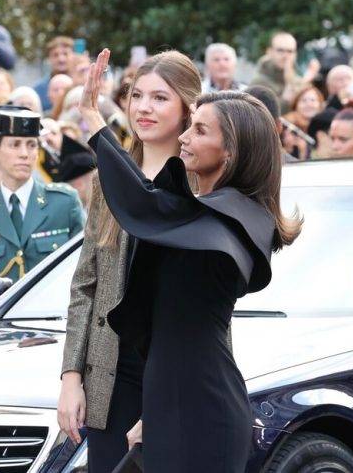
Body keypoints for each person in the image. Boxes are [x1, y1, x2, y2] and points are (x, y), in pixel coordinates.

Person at [82, 49, 302, 472]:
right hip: (172, 401)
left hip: (202, 408)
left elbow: (144, 208)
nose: (184, 136)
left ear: (231, 151)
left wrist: (94, 119)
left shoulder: (233, 216)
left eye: (200, 130)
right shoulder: (208, 211)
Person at [59, 50, 202, 473]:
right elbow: (86, 281)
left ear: (188, 107)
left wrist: (166, 402)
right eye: (136, 95)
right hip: (110, 376)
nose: (143, 107)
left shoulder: (202, 182)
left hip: (175, 374)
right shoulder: (110, 175)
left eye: (160, 98)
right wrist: (71, 377)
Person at [0, 106, 85, 318]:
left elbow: (84, 277)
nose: (24, 154)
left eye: (31, 145)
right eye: (15, 145)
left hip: (53, 326)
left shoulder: (63, 202)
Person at [250, 31, 320, 109]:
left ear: (295, 54)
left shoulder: (298, 80)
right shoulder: (259, 82)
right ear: (269, 51)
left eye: (290, 51)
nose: (285, 56)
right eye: (280, 50)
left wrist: (306, 80)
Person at [34, 36, 75, 112]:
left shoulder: (81, 85)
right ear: (49, 58)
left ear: (73, 56)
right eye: (55, 55)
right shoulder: (39, 89)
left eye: (65, 54)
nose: (61, 59)